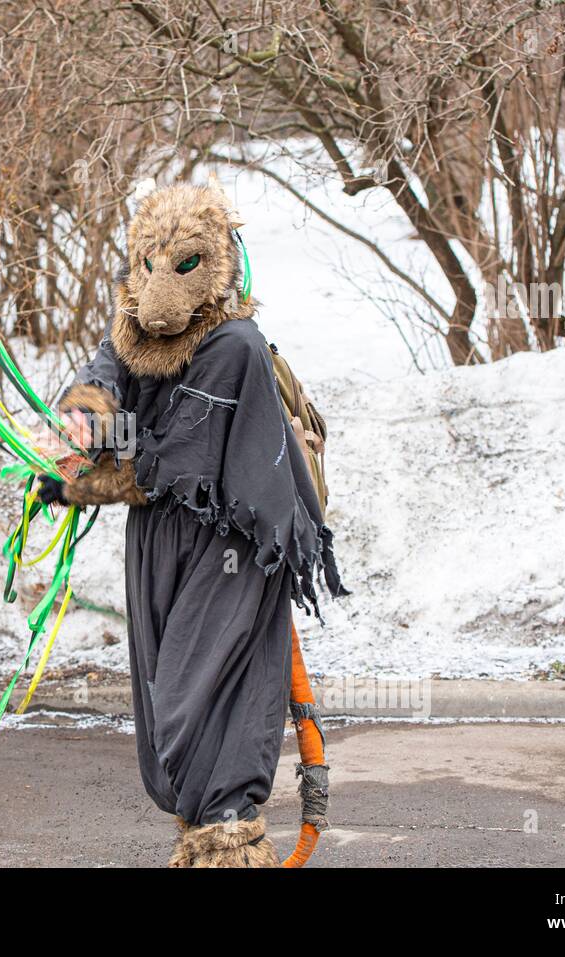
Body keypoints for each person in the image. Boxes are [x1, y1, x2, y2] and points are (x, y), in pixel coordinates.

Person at [40, 182, 344, 865]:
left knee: (197, 698)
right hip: (157, 542)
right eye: (149, 263)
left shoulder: (235, 345)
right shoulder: (129, 334)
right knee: (162, 712)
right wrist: (80, 422)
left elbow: (183, 456)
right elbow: (99, 384)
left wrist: (89, 476)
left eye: (182, 266)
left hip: (232, 548)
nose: (159, 290)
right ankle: (205, 842)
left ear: (217, 268)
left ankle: (233, 843)